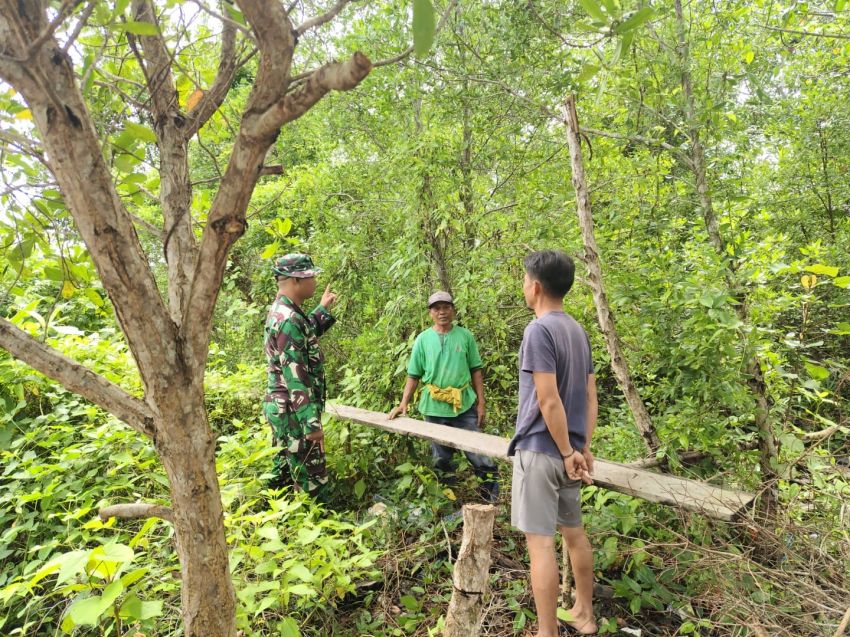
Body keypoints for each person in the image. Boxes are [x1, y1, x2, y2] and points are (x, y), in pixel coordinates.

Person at [509, 250, 598, 636]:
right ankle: (585, 614)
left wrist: (565, 452)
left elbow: (548, 400)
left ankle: (547, 632)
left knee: (541, 546)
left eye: (524, 280)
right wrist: (582, 448)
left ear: (536, 287)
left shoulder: (538, 331)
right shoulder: (578, 331)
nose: (523, 286)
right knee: (574, 533)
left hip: (544, 452)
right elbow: (591, 397)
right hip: (570, 453)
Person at [388, 291, 499, 502]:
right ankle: (449, 503)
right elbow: (414, 375)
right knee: (441, 459)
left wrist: (481, 403)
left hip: (464, 405)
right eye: (437, 308)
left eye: (446, 307)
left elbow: (476, 370)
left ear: (453, 310)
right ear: (430, 313)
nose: (442, 312)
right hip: (434, 408)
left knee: (479, 454)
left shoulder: (465, 336)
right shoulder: (423, 340)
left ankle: (491, 499)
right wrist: (403, 404)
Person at [263, 253, 337, 499]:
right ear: (296, 280)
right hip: (294, 412)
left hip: (283, 409)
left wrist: (322, 310)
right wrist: (311, 424)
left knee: (285, 476)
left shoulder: (282, 311)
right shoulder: (289, 319)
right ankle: (316, 518)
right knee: (312, 480)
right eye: (310, 277)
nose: (314, 281)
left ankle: (281, 517)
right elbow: (296, 376)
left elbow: (301, 336)